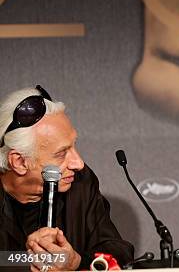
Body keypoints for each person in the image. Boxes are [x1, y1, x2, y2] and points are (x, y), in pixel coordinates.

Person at [0, 86, 134, 271]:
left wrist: (76, 262)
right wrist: (28, 260)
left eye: (74, 145)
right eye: (61, 153)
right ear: (20, 162)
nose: (78, 163)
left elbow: (118, 251)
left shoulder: (80, 181)